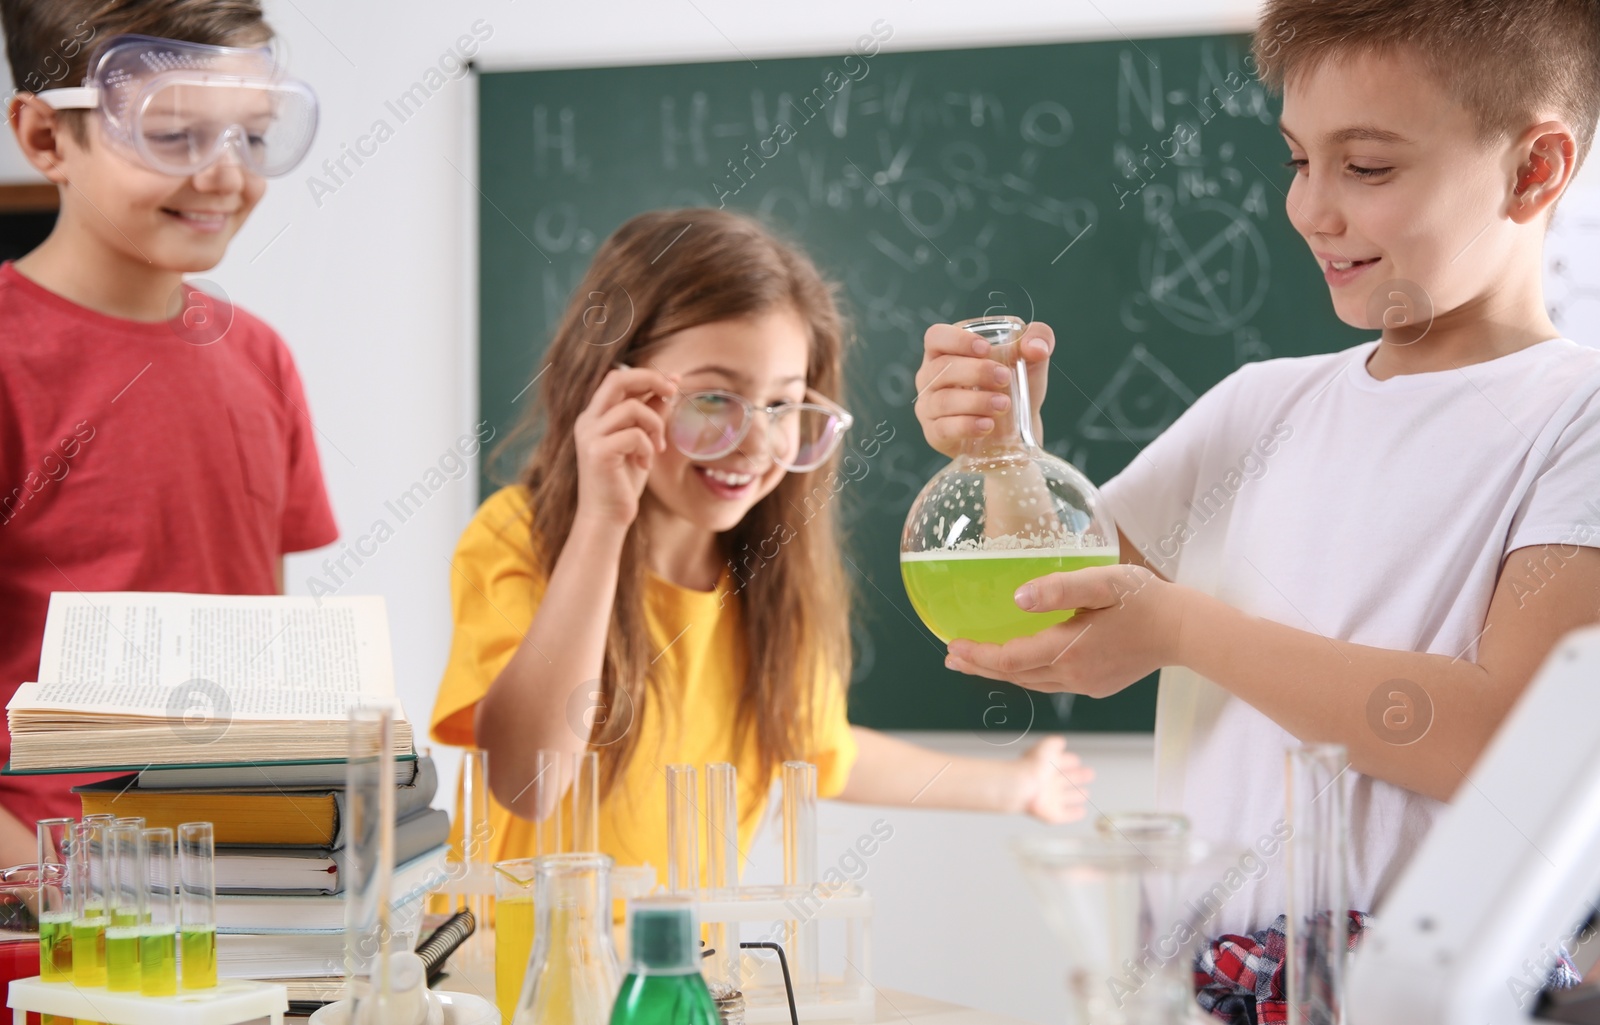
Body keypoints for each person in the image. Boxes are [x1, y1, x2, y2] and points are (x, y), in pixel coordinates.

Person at [913, 0, 1600, 1013]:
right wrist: (1004, 451)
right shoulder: (1256, 407)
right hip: (1189, 989)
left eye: (1365, 168)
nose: (1310, 209)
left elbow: (1509, 740)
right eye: (1295, 160)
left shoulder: (1573, 416)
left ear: (1533, 168)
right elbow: (1059, 617)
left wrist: (1188, 627)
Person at [429, 208, 1096, 873]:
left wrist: (1018, 785)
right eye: (715, 398)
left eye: (782, 404)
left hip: (684, 977)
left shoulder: (765, 579)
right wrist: (603, 522)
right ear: (615, 385)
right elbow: (531, 783)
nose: (755, 442)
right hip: (515, 967)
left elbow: (827, 748)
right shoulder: (517, 537)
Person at [0, 1, 336, 862]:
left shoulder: (260, 358)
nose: (227, 178)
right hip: (58, 929)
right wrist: (56, 892)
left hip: (249, 893)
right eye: (177, 135)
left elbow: (263, 644)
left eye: (253, 137)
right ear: (45, 139)